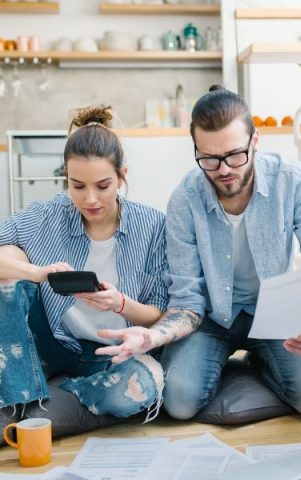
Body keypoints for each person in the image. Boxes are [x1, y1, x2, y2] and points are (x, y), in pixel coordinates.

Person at [97, 86, 301, 420]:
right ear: (196, 149)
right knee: (179, 403)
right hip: (210, 318)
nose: (224, 169)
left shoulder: (294, 180)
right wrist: (153, 337)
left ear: (255, 141)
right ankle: (236, 361)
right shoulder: (184, 199)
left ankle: (258, 361)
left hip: (276, 314)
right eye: (209, 159)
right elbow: (187, 300)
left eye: (235, 155)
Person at [0, 105, 167, 423]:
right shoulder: (45, 215)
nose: (90, 199)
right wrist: (38, 273)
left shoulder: (152, 225)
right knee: (9, 259)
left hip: (113, 354)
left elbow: (158, 314)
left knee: (139, 387)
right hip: (54, 344)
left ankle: (62, 396)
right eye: (78, 186)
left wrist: (119, 303)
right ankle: (24, 397)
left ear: (122, 178)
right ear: (66, 180)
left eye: (102, 186)